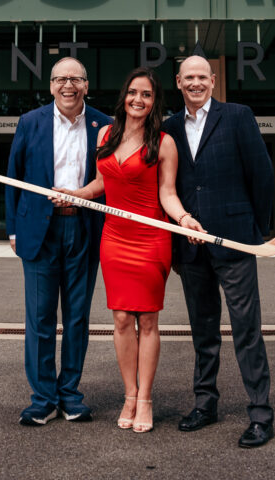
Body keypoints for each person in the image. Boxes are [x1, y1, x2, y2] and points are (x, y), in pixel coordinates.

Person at [59, 68, 203, 434]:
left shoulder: (164, 142)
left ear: (155, 103)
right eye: (133, 92)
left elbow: (167, 194)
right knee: (121, 319)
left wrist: (184, 219)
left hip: (151, 239)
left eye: (147, 95)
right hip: (115, 238)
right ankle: (129, 394)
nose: (138, 100)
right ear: (124, 96)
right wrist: (72, 194)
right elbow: (99, 185)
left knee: (148, 321)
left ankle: (146, 400)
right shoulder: (106, 134)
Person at [161, 55, 275, 448]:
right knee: (203, 330)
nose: (195, 83)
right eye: (188, 77)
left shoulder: (238, 116)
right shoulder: (169, 127)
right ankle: (205, 403)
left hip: (235, 241)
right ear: (178, 82)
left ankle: (260, 414)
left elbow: (262, 175)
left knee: (247, 330)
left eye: (201, 77)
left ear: (212, 80)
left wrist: (255, 233)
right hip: (191, 249)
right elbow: (168, 186)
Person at [5, 57, 111, 426]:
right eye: (61, 79)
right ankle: (42, 399)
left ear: (86, 85)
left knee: (78, 318)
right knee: (39, 319)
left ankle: (71, 396)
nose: (69, 85)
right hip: (39, 233)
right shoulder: (30, 122)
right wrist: (14, 231)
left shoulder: (105, 126)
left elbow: (112, 180)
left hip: (83, 229)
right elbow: (13, 176)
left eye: (76, 79)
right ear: (51, 86)